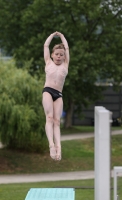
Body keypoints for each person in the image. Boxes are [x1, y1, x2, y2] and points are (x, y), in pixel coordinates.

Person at [42, 31, 70, 161]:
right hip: (48, 90)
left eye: (61, 55)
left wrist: (63, 37)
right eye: (57, 54)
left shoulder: (65, 64)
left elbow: (67, 48)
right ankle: (51, 145)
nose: (59, 56)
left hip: (58, 94)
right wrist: (53, 36)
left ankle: (59, 147)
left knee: (57, 121)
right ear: (52, 55)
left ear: (64, 57)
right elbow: (46, 46)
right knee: (49, 117)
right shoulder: (48, 62)